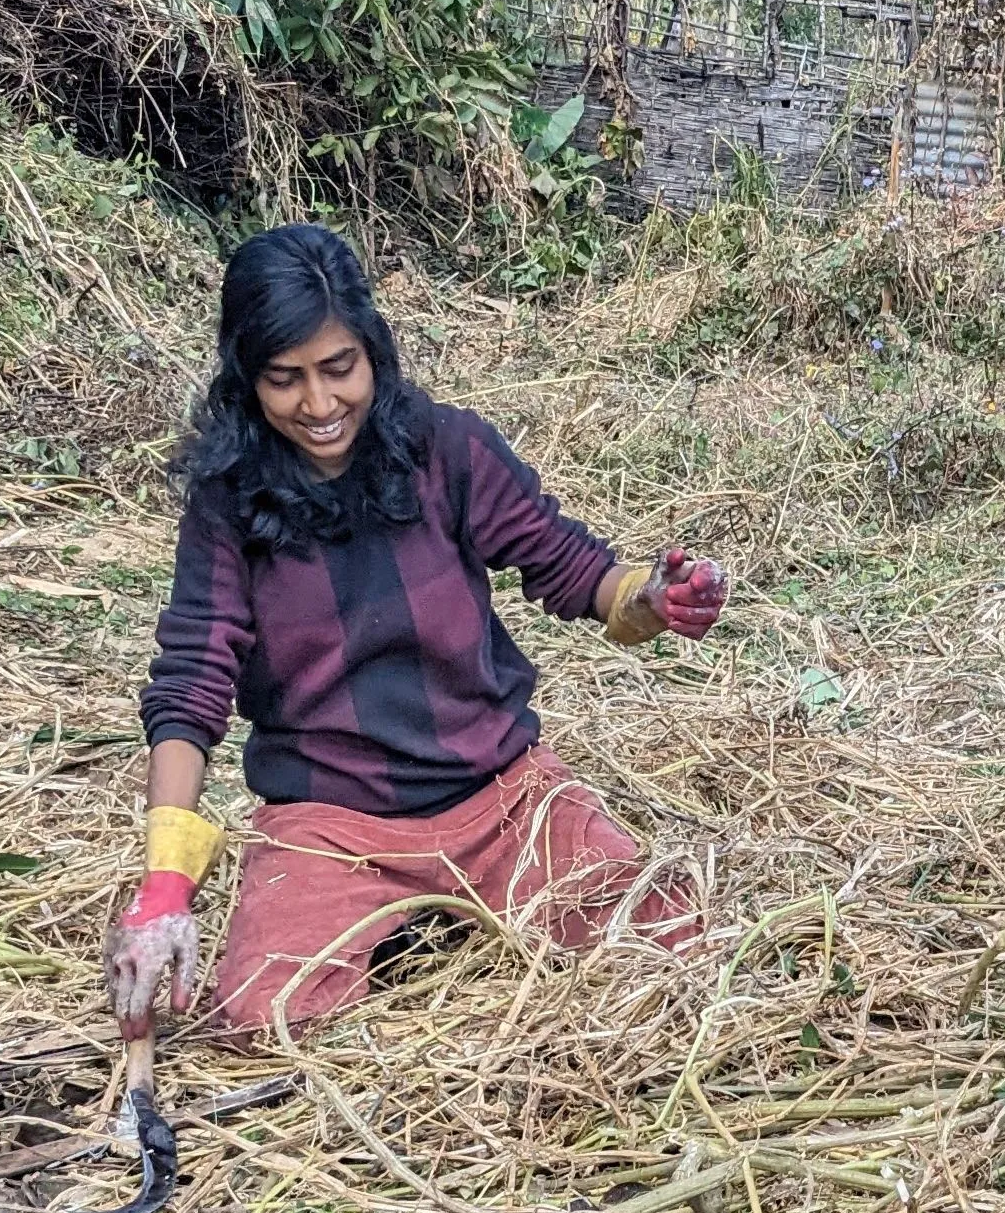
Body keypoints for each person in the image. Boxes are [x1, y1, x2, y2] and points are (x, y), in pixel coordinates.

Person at [103, 224, 727, 1045]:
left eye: (338, 369)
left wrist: (653, 596)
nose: (320, 405)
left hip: (502, 799)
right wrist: (163, 886)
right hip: (332, 824)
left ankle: (431, 926)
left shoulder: (448, 450)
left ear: (373, 352)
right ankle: (411, 927)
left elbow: (578, 574)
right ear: (246, 380)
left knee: (673, 938)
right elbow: (190, 687)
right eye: (285, 380)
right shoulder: (228, 502)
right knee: (264, 1019)